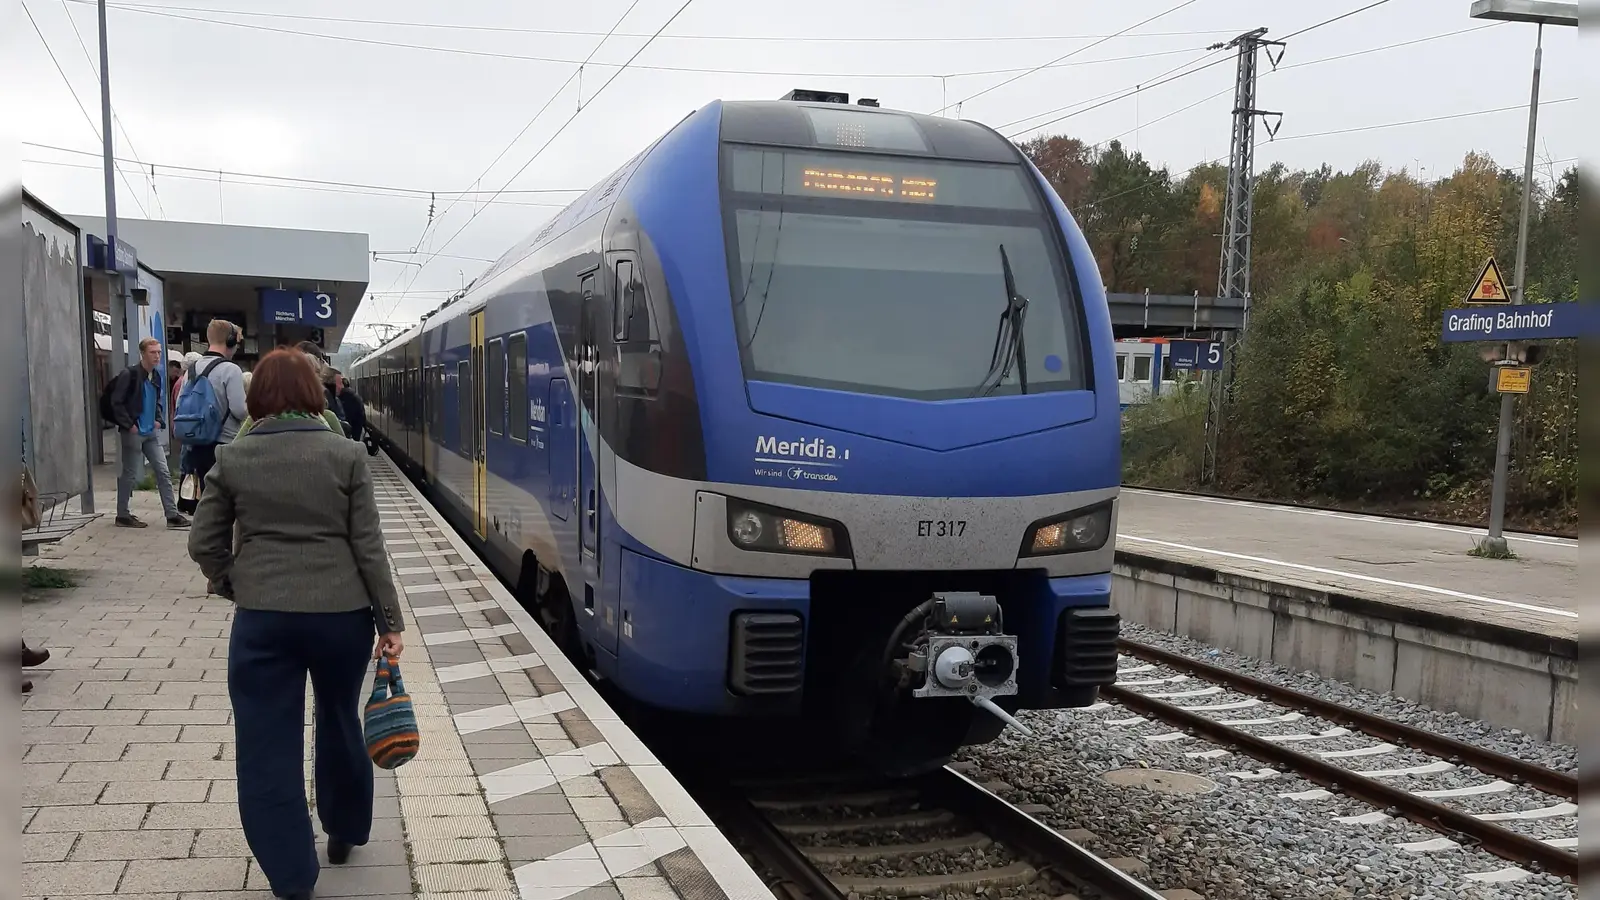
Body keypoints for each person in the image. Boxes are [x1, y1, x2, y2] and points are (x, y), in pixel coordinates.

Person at [187, 349, 405, 900]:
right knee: (338, 719)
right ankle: (346, 830)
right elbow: (369, 548)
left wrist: (234, 582)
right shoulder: (347, 454)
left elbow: (203, 542)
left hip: (264, 622)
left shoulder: (234, 459)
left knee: (266, 744)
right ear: (315, 393)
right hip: (342, 619)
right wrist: (390, 622)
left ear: (258, 397)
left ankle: (291, 876)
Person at [104, 337, 190, 528]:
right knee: (130, 473)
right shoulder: (130, 374)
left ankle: (172, 515)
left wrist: (158, 420)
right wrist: (129, 425)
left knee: (163, 471)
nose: (157, 356)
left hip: (150, 432)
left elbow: (157, 400)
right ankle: (122, 514)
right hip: (133, 432)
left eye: (159, 352)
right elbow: (116, 402)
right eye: (153, 352)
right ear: (143, 354)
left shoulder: (156, 376)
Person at [185, 320, 249, 491]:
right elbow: (240, 410)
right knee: (225, 496)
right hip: (224, 444)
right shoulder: (231, 369)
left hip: (196, 442)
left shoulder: (192, 369)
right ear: (230, 341)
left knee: (207, 494)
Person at [337, 377, 366, 445]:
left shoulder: (341, 397)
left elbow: (345, 415)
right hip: (357, 427)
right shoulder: (356, 395)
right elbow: (362, 414)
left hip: (349, 429)